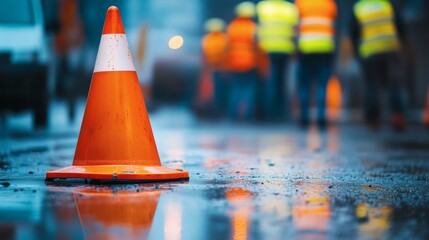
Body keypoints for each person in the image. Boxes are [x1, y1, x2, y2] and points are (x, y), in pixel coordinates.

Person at [350, 0, 406, 130]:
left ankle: (373, 119)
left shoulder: (360, 7)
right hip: (391, 49)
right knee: (394, 83)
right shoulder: (387, 4)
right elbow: (400, 25)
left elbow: (353, 32)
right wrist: (401, 44)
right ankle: (397, 116)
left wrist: (357, 51)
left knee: (371, 85)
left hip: (370, 51)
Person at [295, 0, 337, 127]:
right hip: (325, 48)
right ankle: (321, 117)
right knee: (322, 85)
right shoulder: (329, 4)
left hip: (305, 48)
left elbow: (295, 26)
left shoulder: (301, 3)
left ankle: (304, 118)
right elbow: (333, 26)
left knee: (304, 85)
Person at [256, 0, 299, 121]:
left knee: (270, 81)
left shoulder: (263, 7)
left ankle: (269, 112)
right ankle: (280, 113)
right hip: (285, 49)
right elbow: (294, 32)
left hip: (267, 50)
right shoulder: (290, 9)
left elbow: (258, 30)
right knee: (281, 82)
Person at [227, 2, 259, 121]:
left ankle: (234, 114)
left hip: (234, 63)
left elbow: (227, 48)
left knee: (236, 88)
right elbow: (257, 47)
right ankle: (248, 115)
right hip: (250, 63)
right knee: (249, 89)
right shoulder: (253, 28)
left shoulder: (231, 27)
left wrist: (227, 65)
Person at [201, 18, 230, 117]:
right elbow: (227, 54)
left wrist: (205, 69)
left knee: (214, 91)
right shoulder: (224, 39)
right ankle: (223, 110)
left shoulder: (206, 39)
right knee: (223, 90)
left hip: (211, 69)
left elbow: (204, 55)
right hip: (222, 69)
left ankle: (216, 109)